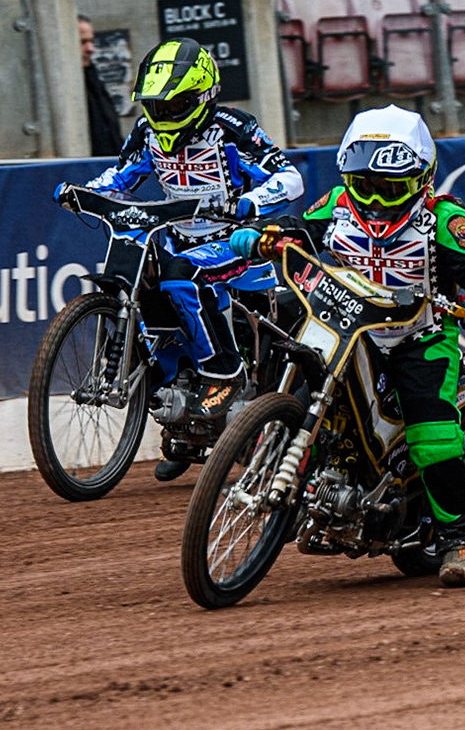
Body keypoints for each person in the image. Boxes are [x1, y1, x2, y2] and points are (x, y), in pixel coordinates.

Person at [229, 105, 465, 588]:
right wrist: (265, 237)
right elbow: (301, 230)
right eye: (366, 185)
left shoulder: (444, 219)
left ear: (422, 179)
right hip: (345, 326)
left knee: (431, 431)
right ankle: (270, 442)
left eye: (391, 187)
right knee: (280, 317)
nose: (377, 199)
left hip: (418, 337)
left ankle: (459, 539)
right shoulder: (337, 204)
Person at [56, 37, 304, 480]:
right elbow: (121, 176)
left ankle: (223, 374)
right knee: (147, 277)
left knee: (181, 277)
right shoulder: (146, 132)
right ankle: (183, 416)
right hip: (178, 235)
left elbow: (290, 177)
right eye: (156, 105)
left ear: (200, 97)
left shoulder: (233, 127)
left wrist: (250, 204)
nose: (164, 115)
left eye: (175, 105)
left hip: (236, 241)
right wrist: (86, 192)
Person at [78, 15, 123, 157]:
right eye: (82, 42)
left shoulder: (93, 79)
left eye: (91, 41)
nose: (90, 48)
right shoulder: (71, 87)